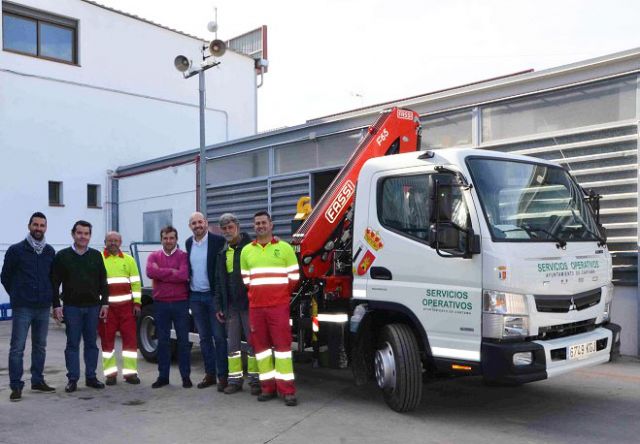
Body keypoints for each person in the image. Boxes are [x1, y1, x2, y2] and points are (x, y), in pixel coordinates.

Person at [240, 211, 300, 406]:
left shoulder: (285, 248)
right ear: (254, 226)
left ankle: (287, 391)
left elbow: (294, 278)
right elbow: (246, 280)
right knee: (262, 350)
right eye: (257, 223)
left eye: (263, 222)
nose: (260, 226)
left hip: (278, 307)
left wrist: (279, 295)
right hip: (256, 308)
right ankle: (267, 388)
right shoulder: (246, 251)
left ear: (271, 225)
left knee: (283, 349)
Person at [1, 212, 56, 402]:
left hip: (43, 307)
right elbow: (5, 277)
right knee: (17, 348)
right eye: (35, 225)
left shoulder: (49, 251)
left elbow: (52, 278)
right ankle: (16, 386)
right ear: (29, 226)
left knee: (40, 346)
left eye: (42, 225)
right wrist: (17, 294)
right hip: (23, 306)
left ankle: (37, 380)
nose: (38, 228)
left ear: (46, 228)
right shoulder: (16, 250)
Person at [52, 220, 109, 393]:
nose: (83, 236)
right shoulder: (62, 256)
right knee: (72, 344)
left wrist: (105, 303)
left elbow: (103, 282)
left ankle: (91, 377)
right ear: (73, 234)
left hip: (93, 307)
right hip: (72, 308)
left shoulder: (96, 256)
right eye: (79, 233)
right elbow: (55, 283)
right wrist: (56, 305)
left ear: (90, 236)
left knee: (91, 344)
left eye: (86, 233)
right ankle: (73, 379)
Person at [214, 213, 259, 395]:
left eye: (230, 227)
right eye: (224, 228)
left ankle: (255, 381)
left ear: (237, 226)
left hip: (248, 304)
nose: (227, 231)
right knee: (232, 346)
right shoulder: (223, 252)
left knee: (252, 343)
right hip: (231, 306)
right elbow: (218, 281)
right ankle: (235, 381)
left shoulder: (251, 248)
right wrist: (219, 306)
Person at [185, 212, 228, 390]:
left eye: (200, 222)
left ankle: (223, 376)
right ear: (190, 226)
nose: (197, 225)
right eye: (194, 223)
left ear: (206, 223)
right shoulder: (189, 243)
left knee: (219, 337)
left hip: (212, 297)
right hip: (195, 297)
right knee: (203, 338)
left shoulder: (218, 241)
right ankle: (209, 374)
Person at [146, 225, 191, 388]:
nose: (169, 241)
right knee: (163, 341)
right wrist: (173, 271)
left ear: (176, 239)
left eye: (172, 238)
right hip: (161, 303)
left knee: (183, 341)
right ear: (161, 239)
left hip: (180, 302)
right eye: (165, 238)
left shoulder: (183, 256)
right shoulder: (154, 256)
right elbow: (151, 272)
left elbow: (184, 275)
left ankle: (185, 376)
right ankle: (163, 376)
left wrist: (162, 272)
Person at [99, 231, 142, 385]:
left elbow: (136, 283)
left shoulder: (129, 260)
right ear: (105, 242)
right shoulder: (99, 259)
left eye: (116, 240)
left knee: (130, 341)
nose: (113, 243)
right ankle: (110, 374)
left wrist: (137, 303)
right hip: (107, 310)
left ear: (120, 242)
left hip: (127, 309)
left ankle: (130, 373)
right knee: (107, 341)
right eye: (110, 240)